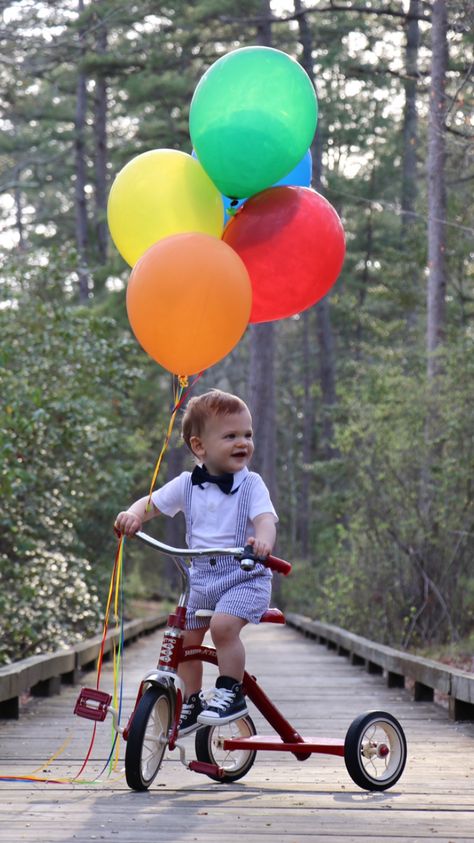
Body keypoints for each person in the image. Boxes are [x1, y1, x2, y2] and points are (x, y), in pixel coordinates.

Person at [114, 389, 278, 734]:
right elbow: (152, 504)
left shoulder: (252, 485)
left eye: (247, 435)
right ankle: (191, 700)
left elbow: (265, 519)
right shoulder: (187, 484)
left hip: (245, 578)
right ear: (199, 447)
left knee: (221, 627)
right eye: (231, 436)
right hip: (200, 581)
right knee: (187, 640)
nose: (242, 443)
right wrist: (132, 515)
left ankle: (231, 692)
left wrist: (263, 540)